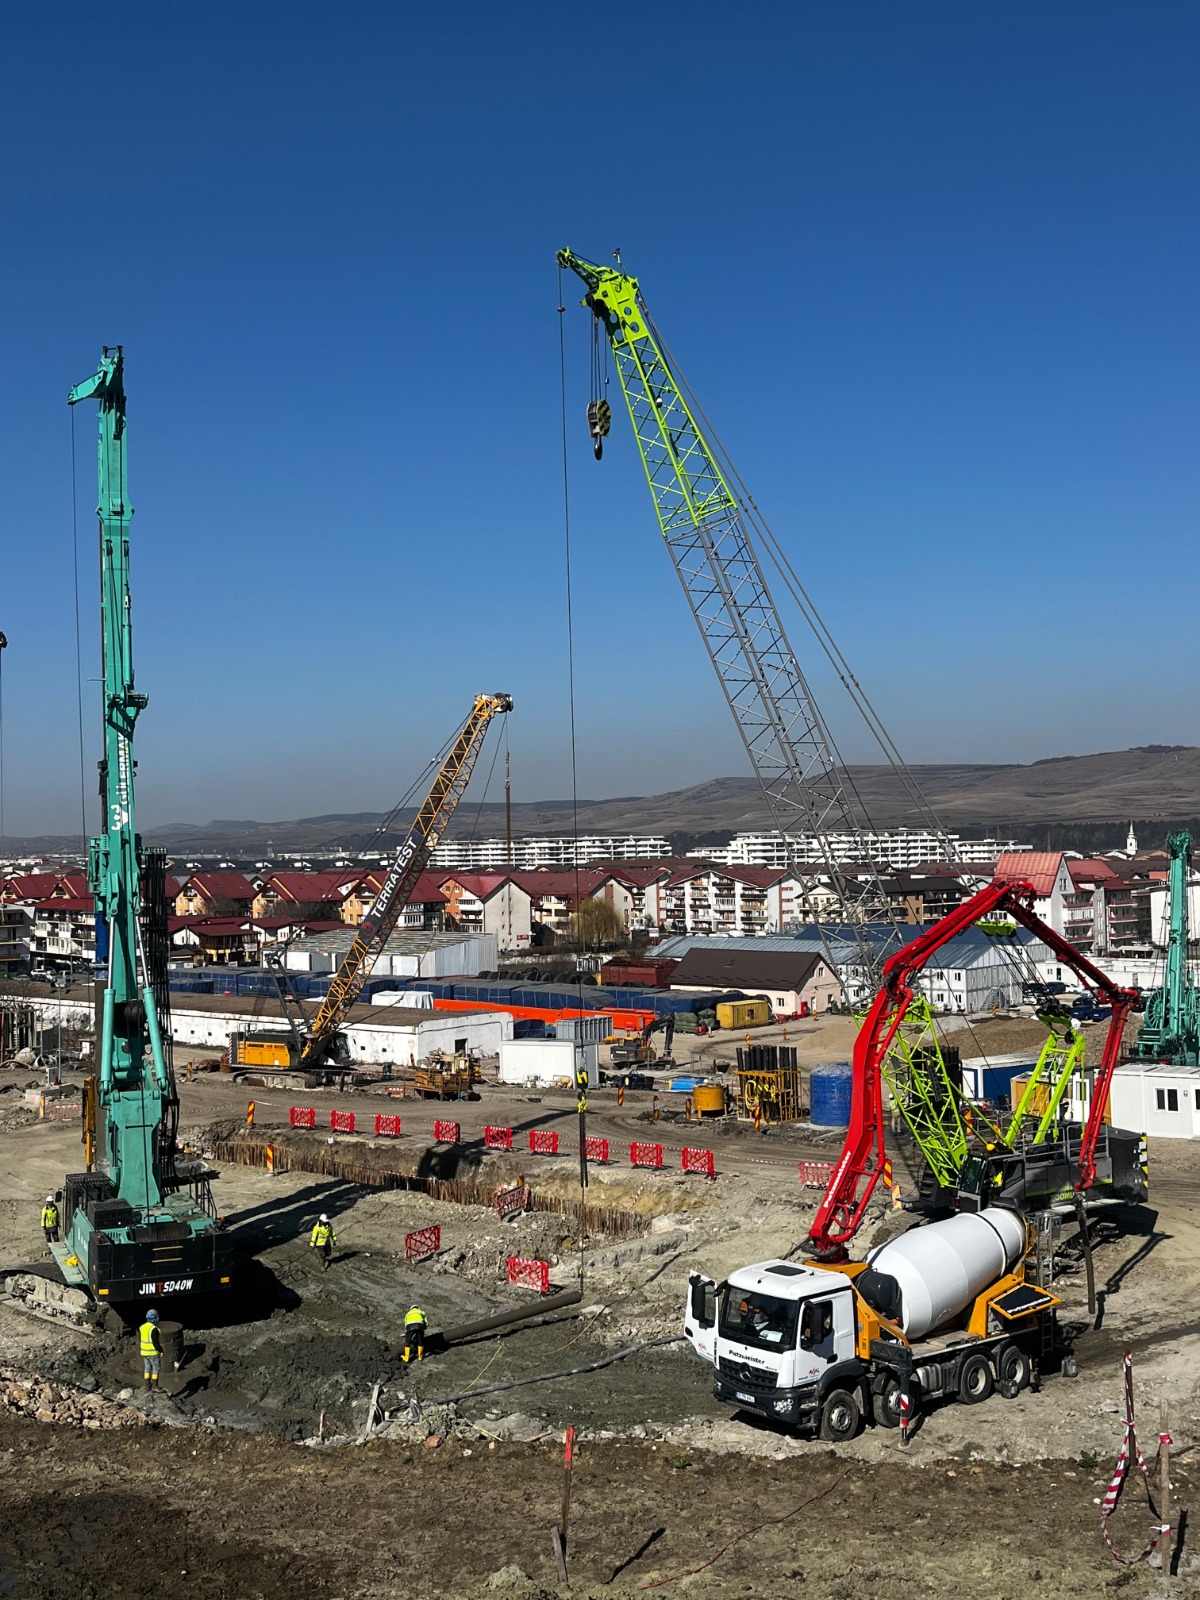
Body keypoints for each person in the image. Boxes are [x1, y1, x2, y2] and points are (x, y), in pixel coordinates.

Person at [139, 1308, 162, 1390]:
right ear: (154, 1319)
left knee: (147, 1369)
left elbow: (140, 1339)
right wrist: (160, 1350)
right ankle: (155, 1386)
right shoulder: (154, 1329)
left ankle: (147, 1386)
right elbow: (155, 1342)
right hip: (153, 1353)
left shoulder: (142, 1327)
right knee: (156, 1369)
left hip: (144, 1353)